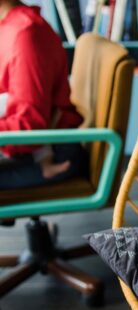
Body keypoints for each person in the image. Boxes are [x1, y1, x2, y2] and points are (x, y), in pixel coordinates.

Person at [0, 0, 86, 190]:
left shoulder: (25, 34)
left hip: (51, 154)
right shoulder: (9, 28)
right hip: (24, 147)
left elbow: (30, 128)